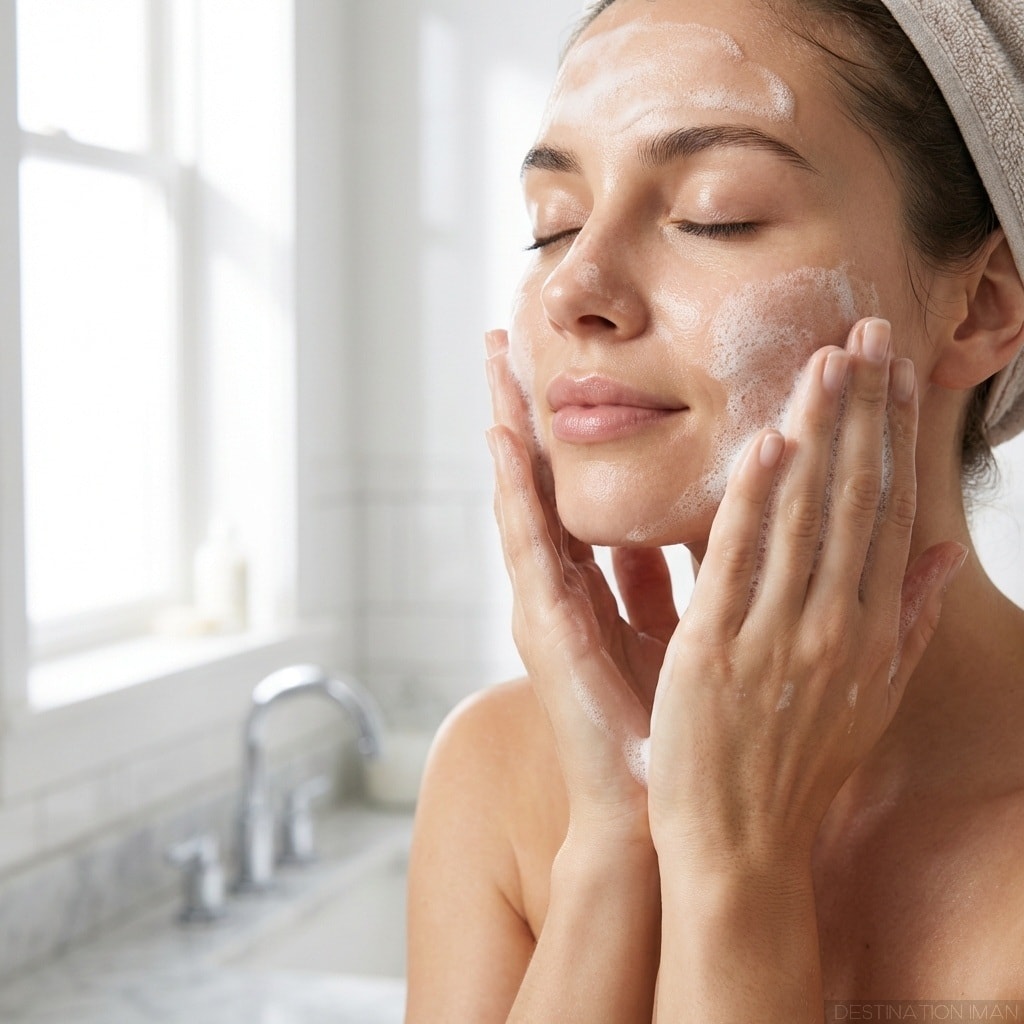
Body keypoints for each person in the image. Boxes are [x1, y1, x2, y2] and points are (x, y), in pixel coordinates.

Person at [406, 0, 1024, 1019]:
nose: (574, 287)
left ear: (982, 305)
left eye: (713, 213)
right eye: (550, 225)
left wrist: (737, 871)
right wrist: (617, 834)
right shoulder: (499, 776)